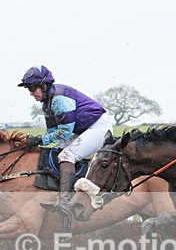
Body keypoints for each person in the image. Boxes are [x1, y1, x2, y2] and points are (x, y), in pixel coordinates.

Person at [17, 65, 114, 215]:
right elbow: (52, 132)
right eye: (28, 89)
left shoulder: (59, 99)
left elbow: (64, 132)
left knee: (67, 156)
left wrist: (40, 139)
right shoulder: (47, 104)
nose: (31, 93)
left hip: (99, 127)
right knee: (56, 151)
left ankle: (65, 201)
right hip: (83, 129)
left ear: (44, 85)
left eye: (32, 88)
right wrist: (38, 140)